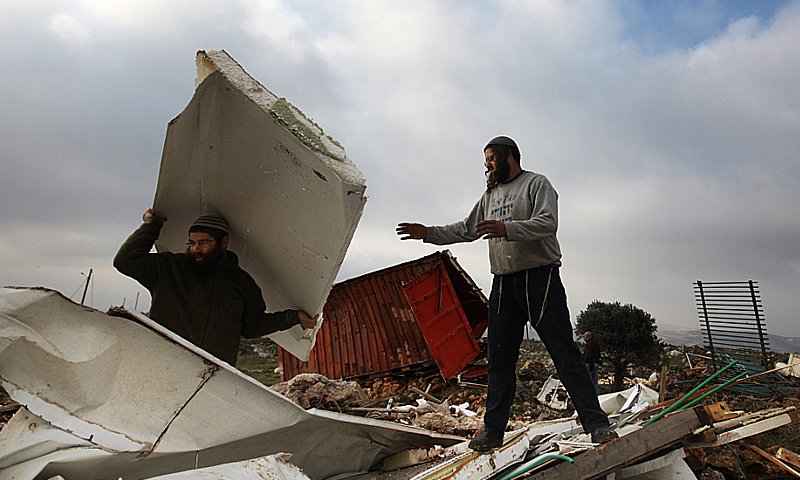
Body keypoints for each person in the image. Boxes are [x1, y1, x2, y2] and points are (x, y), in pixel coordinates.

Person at [396, 136, 616, 451]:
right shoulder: (490, 195)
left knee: (565, 355)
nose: (487, 165)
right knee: (499, 360)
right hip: (503, 284)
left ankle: (597, 425)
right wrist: (428, 233)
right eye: (485, 161)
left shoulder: (537, 185)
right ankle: (492, 433)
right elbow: (466, 229)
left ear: (508, 155)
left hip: (540, 280)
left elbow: (547, 223)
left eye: (491, 159)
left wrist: (507, 229)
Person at [114, 208, 316, 366]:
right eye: (191, 243)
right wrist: (152, 225)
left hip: (212, 375)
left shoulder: (242, 283)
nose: (195, 249)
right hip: (164, 364)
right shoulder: (168, 269)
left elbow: (252, 326)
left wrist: (293, 317)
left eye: (203, 243)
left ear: (223, 242)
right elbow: (125, 261)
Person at [583, 330, 601, 395]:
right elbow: (599, 354)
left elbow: (588, 355)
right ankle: (596, 394)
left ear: (587, 336)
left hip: (590, 364)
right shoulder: (596, 343)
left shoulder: (589, 344)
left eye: (584, 337)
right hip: (596, 363)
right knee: (595, 381)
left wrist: (584, 361)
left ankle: (589, 394)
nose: (584, 338)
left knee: (589, 381)